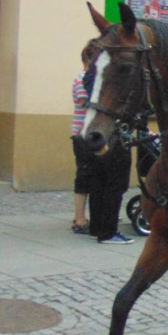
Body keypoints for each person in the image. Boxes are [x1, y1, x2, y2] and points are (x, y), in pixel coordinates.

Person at [74, 40, 135, 244]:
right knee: (114, 183)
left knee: (98, 180)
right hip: (111, 134)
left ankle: (96, 227)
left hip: (94, 133)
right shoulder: (107, 77)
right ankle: (108, 232)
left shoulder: (91, 76)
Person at [70, 41, 94, 235]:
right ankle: (79, 218)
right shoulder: (81, 79)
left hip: (91, 134)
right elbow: (83, 102)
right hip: (81, 134)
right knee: (84, 175)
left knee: (92, 175)